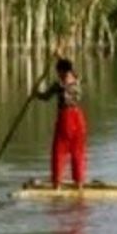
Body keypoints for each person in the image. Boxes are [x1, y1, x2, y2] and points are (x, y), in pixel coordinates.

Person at [36, 58, 87, 190]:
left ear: (62, 72)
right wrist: (60, 57)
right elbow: (71, 68)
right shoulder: (77, 80)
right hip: (79, 117)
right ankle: (79, 183)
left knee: (59, 151)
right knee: (78, 152)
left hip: (66, 119)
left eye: (58, 72)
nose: (57, 74)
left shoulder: (59, 85)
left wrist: (35, 94)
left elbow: (45, 97)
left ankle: (57, 184)